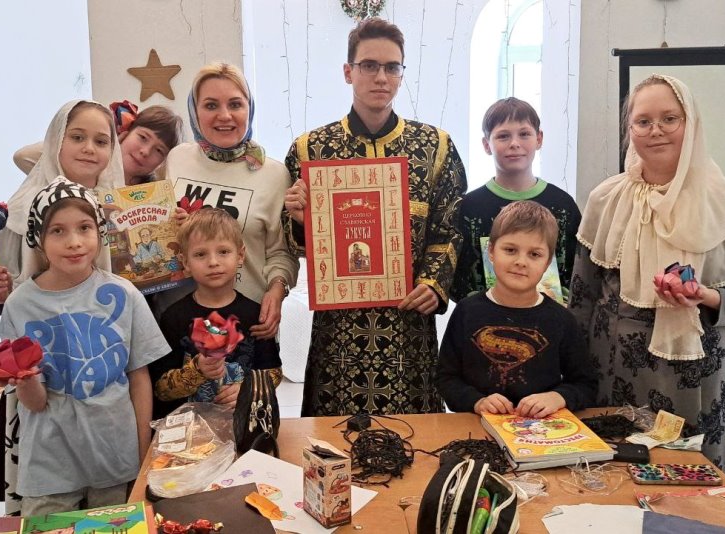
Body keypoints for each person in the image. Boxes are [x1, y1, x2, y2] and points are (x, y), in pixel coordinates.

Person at [568, 74, 725, 486]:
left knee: (696, 496)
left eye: (669, 119)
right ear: (629, 130)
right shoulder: (605, 199)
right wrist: (571, 378)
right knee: (613, 490)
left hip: (694, 375)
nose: (655, 130)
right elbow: (582, 297)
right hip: (612, 372)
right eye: (643, 121)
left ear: (691, 124)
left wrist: (706, 296)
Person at [283, 18, 466, 416]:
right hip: (340, 327)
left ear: (401, 73)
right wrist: (297, 218)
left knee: (413, 435)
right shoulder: (311, 148)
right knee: (335, 437)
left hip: (407, 320)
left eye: (392, 67)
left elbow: (450, 227)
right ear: (348, 72)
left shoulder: (434, 146)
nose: (381, 77)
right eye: (369, 65)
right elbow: (295, 241)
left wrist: (433, 283)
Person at [0, 100, 126, 514]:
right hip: (43, 370)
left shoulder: (122, 207)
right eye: (76, 137)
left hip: (102, 364)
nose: (89, 149)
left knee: (109, 496)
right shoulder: (21, 209)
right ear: (55, 141)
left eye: (102, 141)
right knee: (50, 494)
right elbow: (4, 289)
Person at [0, 177, 169, 515]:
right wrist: (26, 379)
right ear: (38, 239)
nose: (74, 242)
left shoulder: (125, 294)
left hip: (115, 457)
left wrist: (142, 453)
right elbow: (34, 402)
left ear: (100, 232)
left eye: (85, 228)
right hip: (49, 466)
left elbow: (139, 379)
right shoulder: (19, 306)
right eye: (57, 231)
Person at [163, 63, 298, 339]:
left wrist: (277, 290)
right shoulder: (177, 158)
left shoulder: (273, 175)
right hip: (176, 325)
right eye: (211, 105)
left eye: (235, 104)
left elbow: (282, 252)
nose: (224, 116)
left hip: (246, 325)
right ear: (194, 110)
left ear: (250, 108)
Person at [437, 201, 596, 417]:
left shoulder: (562, 319)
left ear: (548, 261)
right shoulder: (466, 311)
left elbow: (586, 385)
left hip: (542, 430)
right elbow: (446, 379)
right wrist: (477, 402)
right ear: (491, 251)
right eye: (510, 250)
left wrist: (558, 397)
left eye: (534, 254)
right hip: (476, 426)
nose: (521, 262)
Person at [149, 208, 282, 419]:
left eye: (223, 252)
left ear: (240, 255)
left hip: (243, 425)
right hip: (189, 429)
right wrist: (197, 370)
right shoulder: (173, 317)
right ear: (185, 262)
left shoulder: (255, 315)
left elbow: (273, 373)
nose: (213, 262)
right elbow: (160, 389)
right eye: (200, 254)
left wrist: (249, 389)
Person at [450, 97, 580, 303]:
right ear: (486, 144)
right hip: (485, 317)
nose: (514, 144)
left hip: (550, 317)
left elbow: (576, 273)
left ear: (539, 139)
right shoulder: (469, 208)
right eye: (503, 136)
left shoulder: (563, 205)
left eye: (524, 134)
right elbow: (458, 279)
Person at [12, 102, 184, 185]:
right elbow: (23, 157)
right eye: (143, 137)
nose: (145, 151)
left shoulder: (153, 193)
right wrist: (105, 142)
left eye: (159, 151)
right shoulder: (85, 167)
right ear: (126, 132)